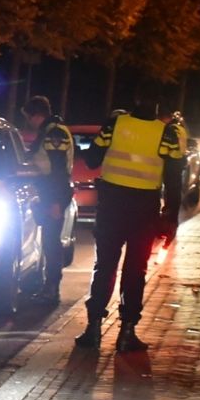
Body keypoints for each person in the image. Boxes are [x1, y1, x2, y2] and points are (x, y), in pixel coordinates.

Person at [75, 84, 185, 352]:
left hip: (112, 204)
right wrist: (171, 214)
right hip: (144, 209)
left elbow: (91, 160)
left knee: (105, 266)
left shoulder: (116, 124)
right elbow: (173, 179)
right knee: (136, 269)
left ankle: (93, 329)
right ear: (158, 104)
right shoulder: (167, 134)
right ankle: (126, 332)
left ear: (135, 98)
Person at [21, 96, 75, 305]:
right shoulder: (50, 130)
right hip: (50, 194)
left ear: (36, 115)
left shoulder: (55, 132)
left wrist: (56, 202)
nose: (29, 122)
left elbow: (58, 170)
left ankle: (52, 289)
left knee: (52, 244)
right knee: (48, 242)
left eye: (28, 117)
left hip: (54, 194)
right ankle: (47, 286)